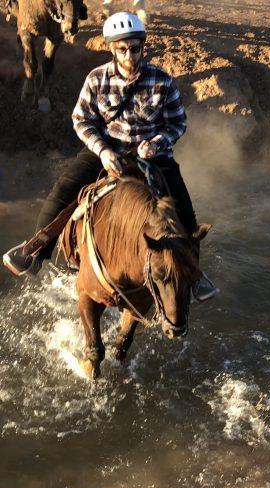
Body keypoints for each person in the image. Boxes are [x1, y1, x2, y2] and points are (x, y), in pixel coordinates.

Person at [2, 12, 218, 301]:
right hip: (107, 150)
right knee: (62, 190)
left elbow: (177, 123)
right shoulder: (96, 79)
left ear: (143, 46)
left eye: (135, 48)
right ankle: (35, 251)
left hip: (151, 154)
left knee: (185, 212)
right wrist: (102, 151)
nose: (129, 55)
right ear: (112, 49)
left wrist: (157, 142)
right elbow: (81, 120)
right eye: (122, 49)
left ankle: (193, 277)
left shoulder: (163, 81)